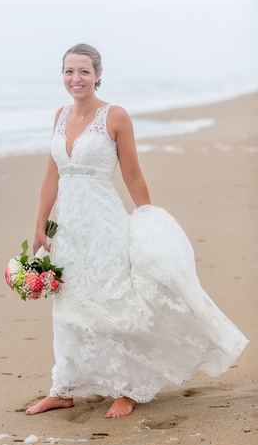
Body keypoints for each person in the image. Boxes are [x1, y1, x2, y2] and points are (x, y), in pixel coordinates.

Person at [25, 43, 248, 419]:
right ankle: (63, 388)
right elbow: (52, 175)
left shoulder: (115, 116)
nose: (75, 78)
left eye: (83, 71)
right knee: (68, 304)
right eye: (68, 71)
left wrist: (148, 219)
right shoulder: (60, 116)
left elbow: (131, 174)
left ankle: (127, 389)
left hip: (104, 222)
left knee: (114, 300)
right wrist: (39, 226)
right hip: (69, 226)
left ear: (97, 75)